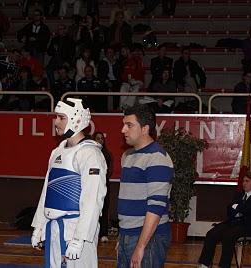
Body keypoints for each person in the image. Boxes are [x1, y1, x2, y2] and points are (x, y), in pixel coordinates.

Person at [31, 98, 107, 268]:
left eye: (61, 117)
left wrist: (80, 238)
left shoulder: (90, 154)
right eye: (56, 117)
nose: (56, 121)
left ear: (77, 120)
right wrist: (39, 226)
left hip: (76, 229)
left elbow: (92, 200)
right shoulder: (57, 151)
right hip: (55, 229)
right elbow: (47, 191)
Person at [117, 104, 174, 268]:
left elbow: (156, 208)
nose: (123, 130)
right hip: (128, 236)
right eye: (123, 124)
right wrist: (123, 238)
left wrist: (140, 246)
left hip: (148, 239)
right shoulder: (129, 157)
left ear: (145, 129)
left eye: (129, 125)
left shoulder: (157, 158)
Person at [197, 171, 251, 268]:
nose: (244, 183)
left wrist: (237, 207)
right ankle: (204, 264)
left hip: (249, 226)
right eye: (243, 181)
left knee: (228, 236)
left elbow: (248, 211)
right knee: (212, 233)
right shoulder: (240, 194)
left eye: (247, 181)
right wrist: (239, 209)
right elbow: (229, 209)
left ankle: (223, 266)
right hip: (234, 223)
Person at [93, 132, 112, 243]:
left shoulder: (107, 154)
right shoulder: (89, 153)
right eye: (97, 138)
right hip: (92, 185)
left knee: (104, 209)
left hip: (104, 184)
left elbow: (108, 171)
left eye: (101, 139)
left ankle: (103, 234)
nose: (100, 140)